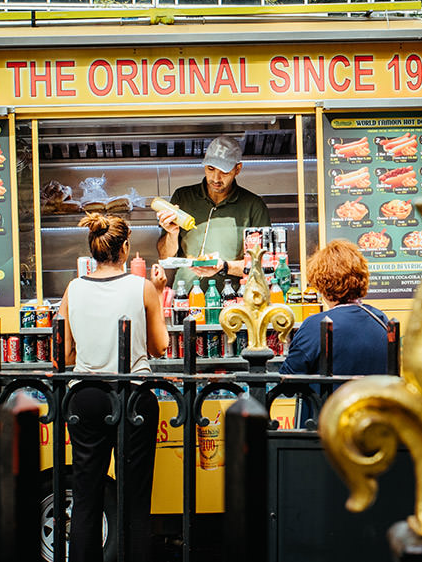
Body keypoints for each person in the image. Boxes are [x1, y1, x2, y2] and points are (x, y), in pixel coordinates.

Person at [58, 213, 169, 562]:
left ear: (93, 250)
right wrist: (159, 293)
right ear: (125, 248)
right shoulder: (142, 288)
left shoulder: (74, 288)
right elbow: (160, 346)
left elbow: (61, 352)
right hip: (133, 397)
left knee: (86, 494)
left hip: (86, 396)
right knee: (135, 497)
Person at [153, 135, 271, 291]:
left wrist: (224, 267)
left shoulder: (253, 206)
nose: (216, 178)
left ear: (238, 169)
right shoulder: (183, 197)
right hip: (186, 296)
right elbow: (165, 256)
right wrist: (172, 234)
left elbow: (264, 264)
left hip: (232, 300)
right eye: (210, 169)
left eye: (224, 172)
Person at [280, 239, 389, 378]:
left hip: (330, 400)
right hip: (373, 399)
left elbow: (288, 382)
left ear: (322, 283)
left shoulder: (314, 325)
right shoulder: (380, 319)